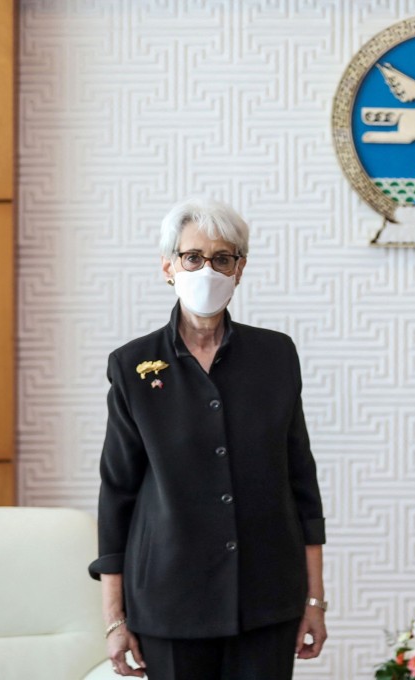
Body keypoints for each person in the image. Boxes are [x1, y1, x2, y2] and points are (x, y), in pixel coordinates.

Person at [88, 198, 328, 679]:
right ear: (168, 267)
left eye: (223, 258)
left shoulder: (276, 356)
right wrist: (115, 619)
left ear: (240, 269)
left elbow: (301, 480)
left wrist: (315, 598)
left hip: (267, 597)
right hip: (168, 599)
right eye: (193, 257)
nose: (207, 269)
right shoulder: (133, 365)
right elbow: (118, 492)